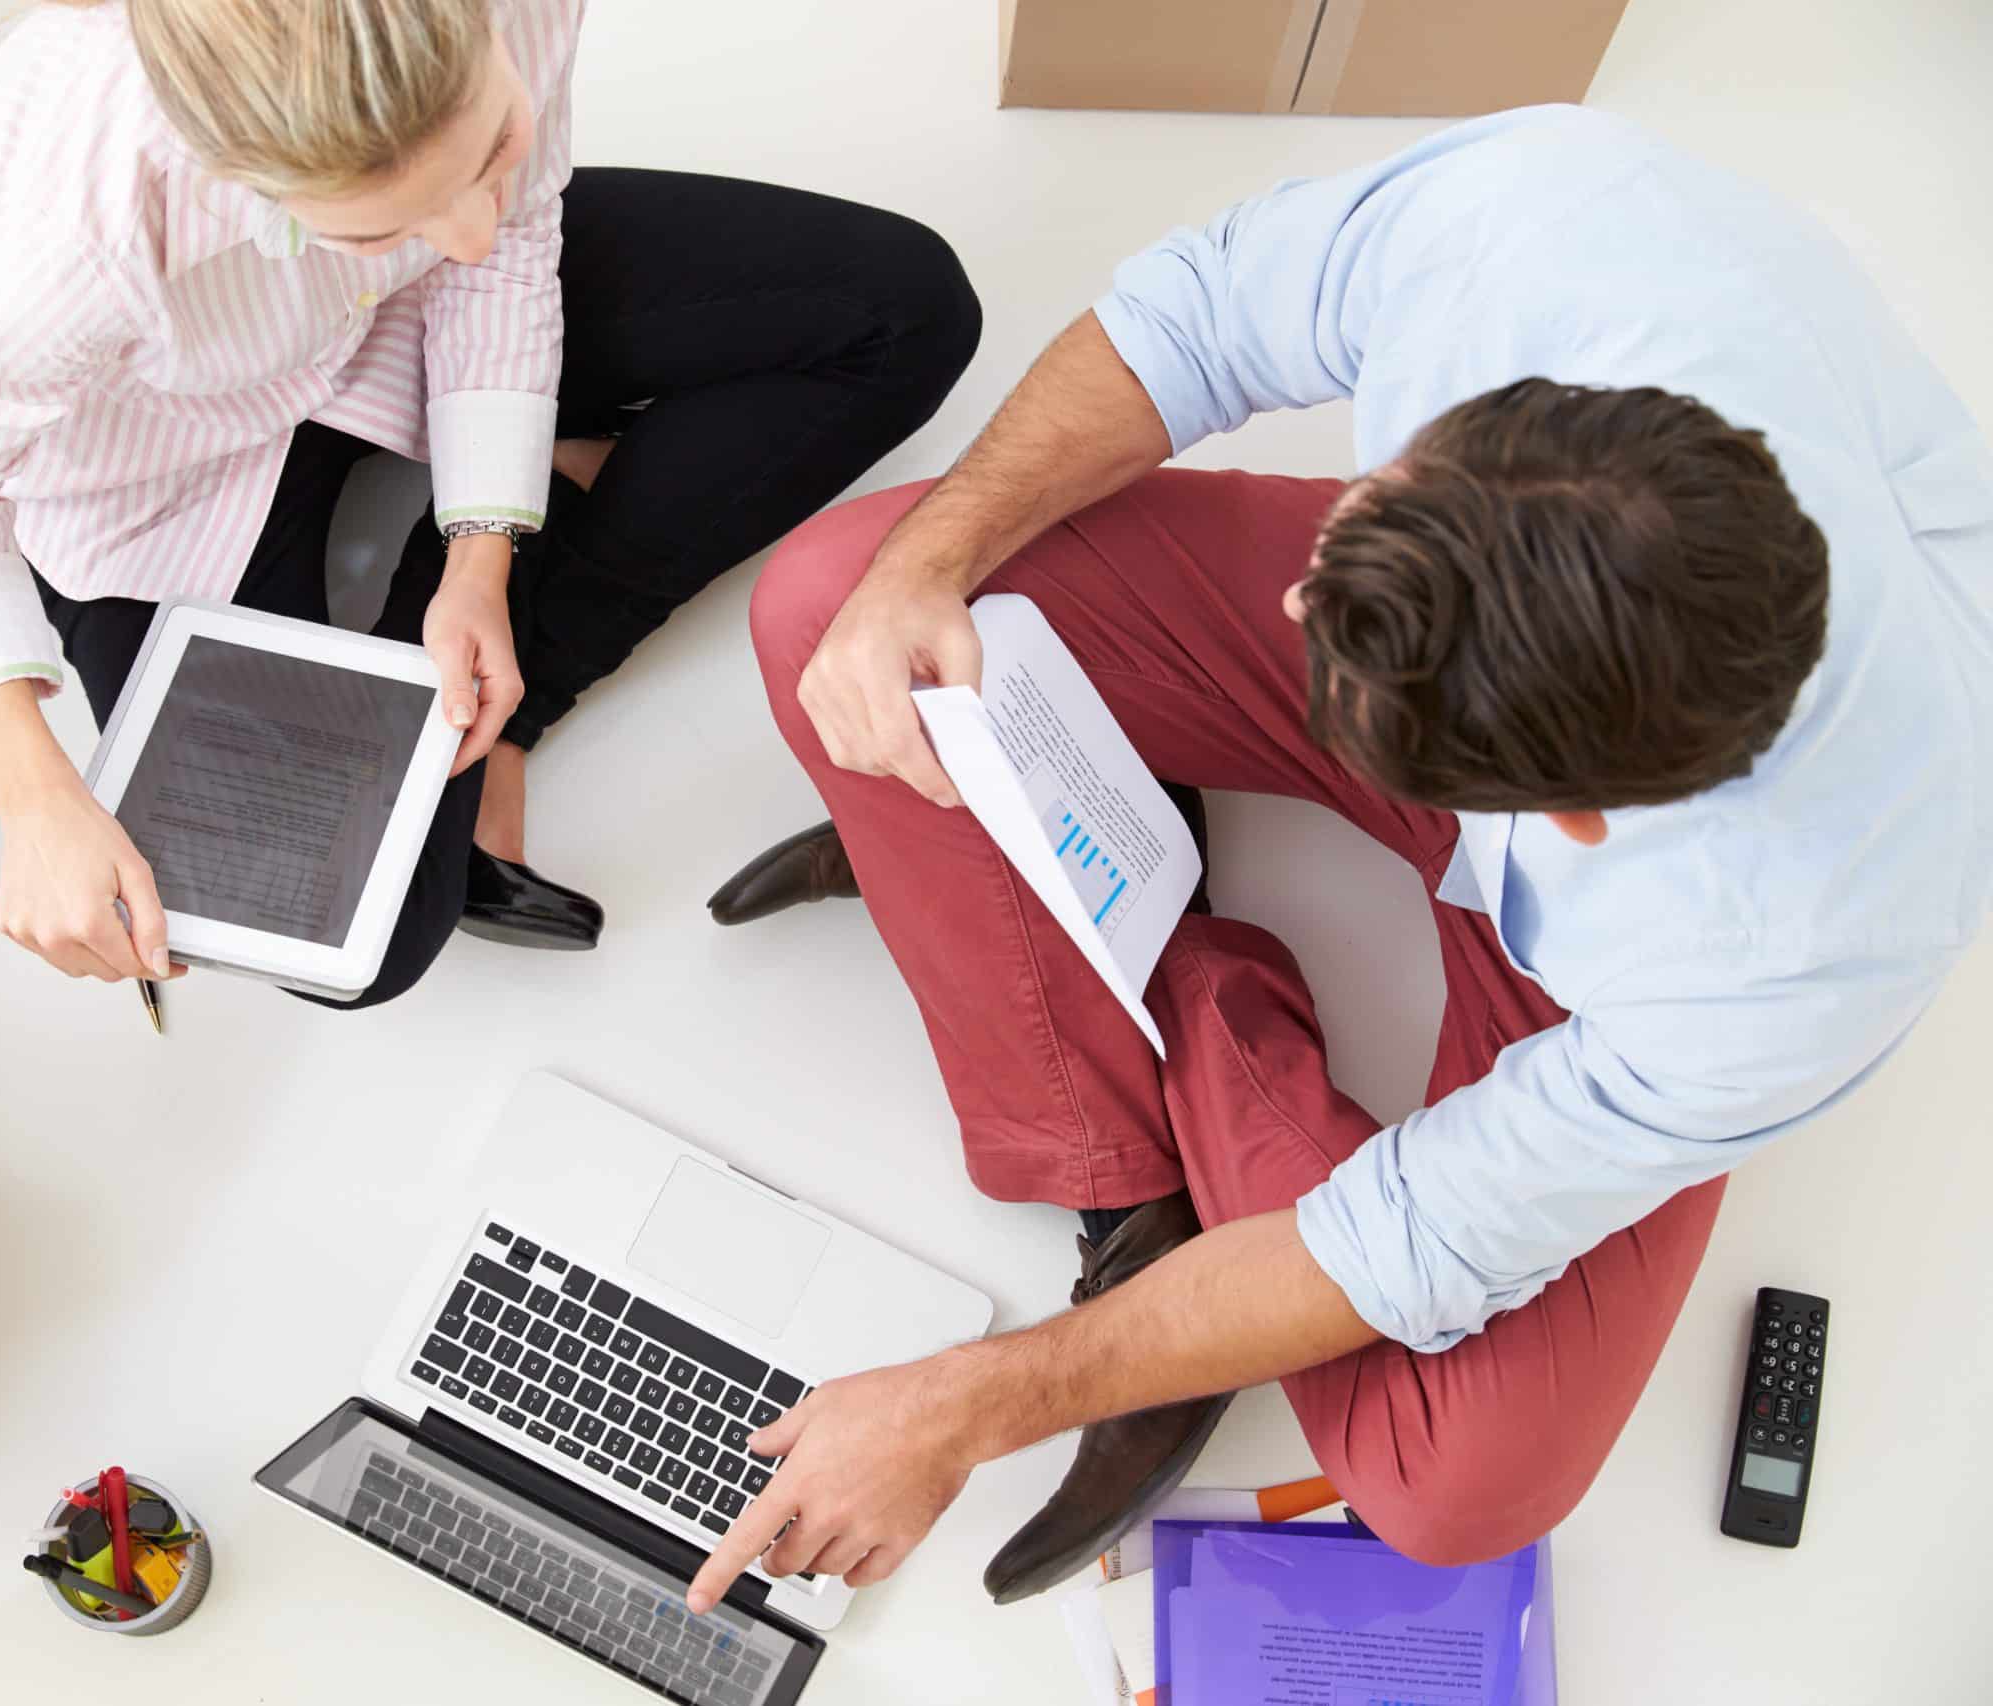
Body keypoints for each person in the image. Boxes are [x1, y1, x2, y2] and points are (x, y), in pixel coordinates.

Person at [688, 105, 1992, 1613]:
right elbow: (1190, 320)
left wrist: (975, 1400)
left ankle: (1124, 931)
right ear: (1480, 437)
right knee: (835, 605)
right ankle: (1125, 1164)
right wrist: (927, 567)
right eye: (1358, 531)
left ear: (1562, 819)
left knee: (1460, 1483)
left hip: (1613, 968)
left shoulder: (1796, 954)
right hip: (1522, 635)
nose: (1298, 611)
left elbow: (1407, 1240)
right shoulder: (1548, 230)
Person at [0, 0, 978, 1004]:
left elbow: (503, 258)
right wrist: (32, 788)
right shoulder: (61, 233)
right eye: (370, 219)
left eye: (491, 144)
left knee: (908, 312)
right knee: (352, 936)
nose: (470, 230)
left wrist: (480, 554)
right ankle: (543, 522)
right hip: (157, 481)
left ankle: (515, 688)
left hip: (394, 328)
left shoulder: (494, 97)